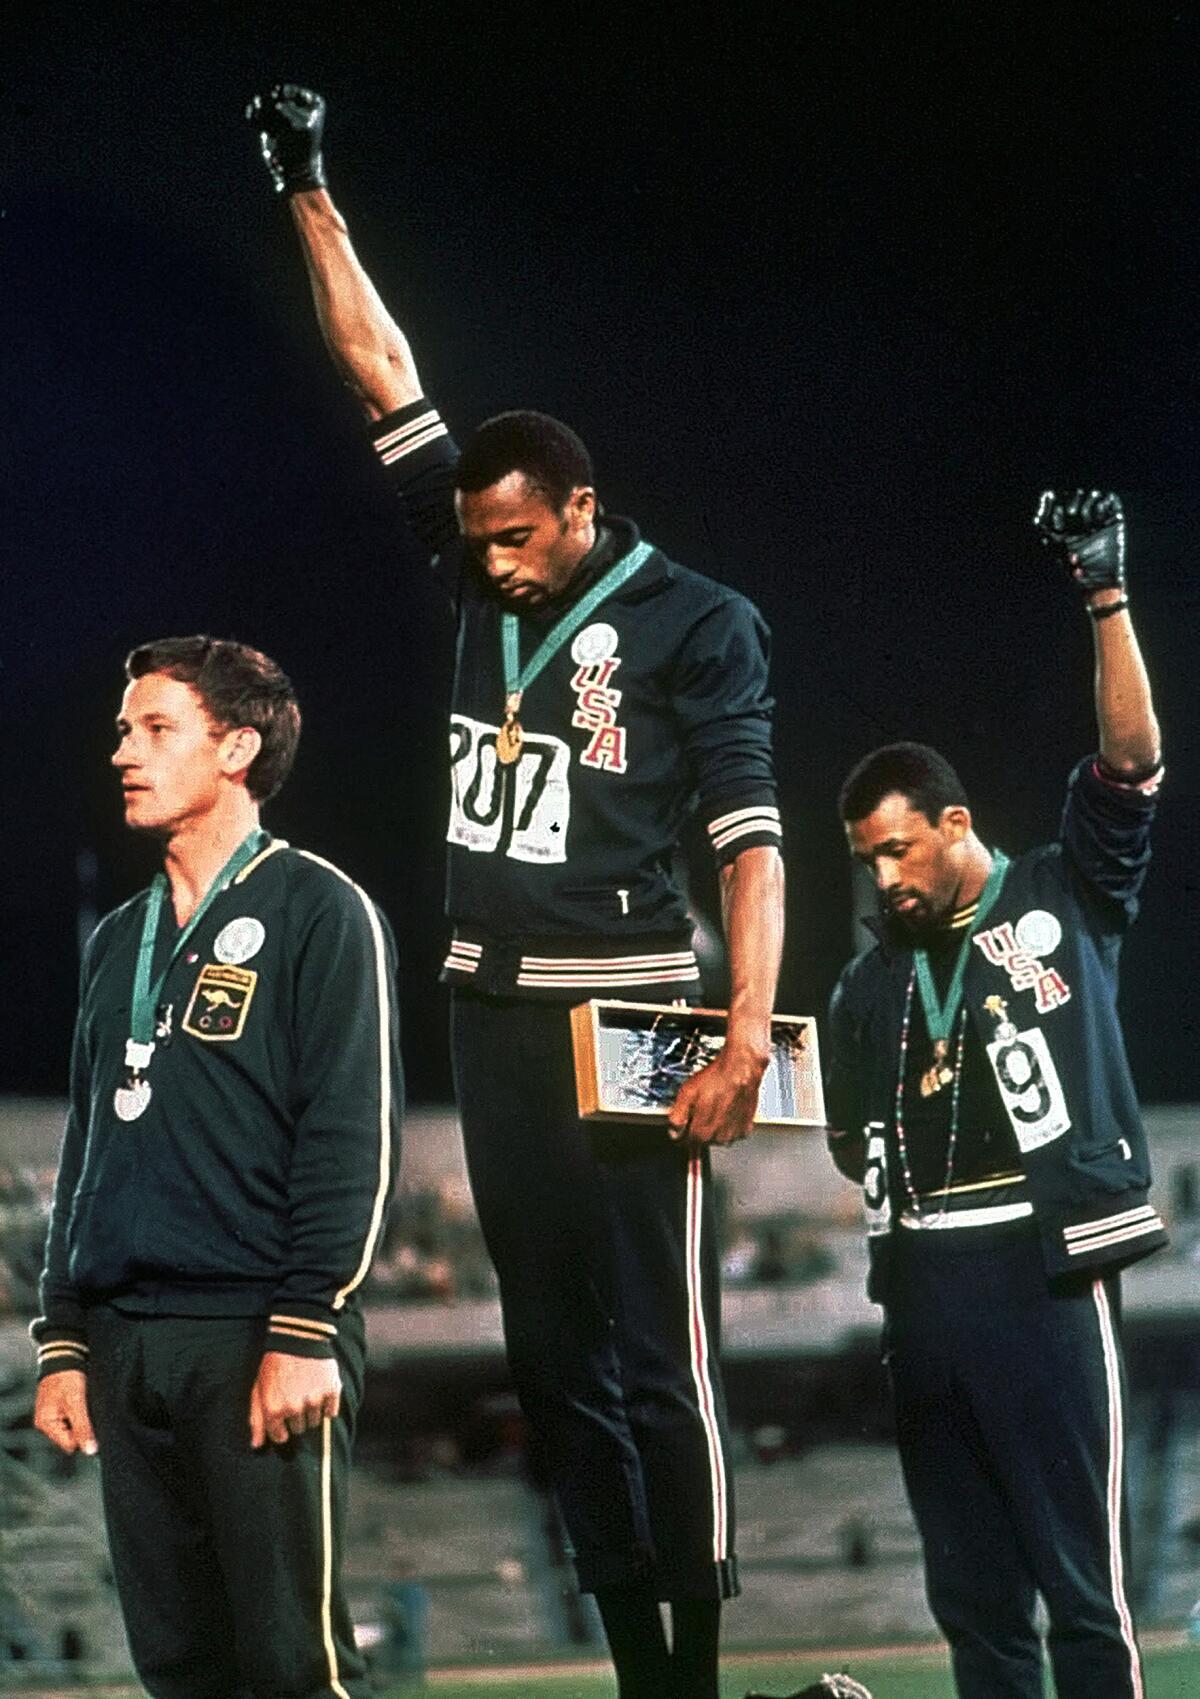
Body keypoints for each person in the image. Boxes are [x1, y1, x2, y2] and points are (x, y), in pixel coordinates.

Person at [246, 85, 785, 1699]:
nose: (490, 563)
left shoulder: (700, 622)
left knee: (663, 1356)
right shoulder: (478, 558)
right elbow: (384, 371)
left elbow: (753, 845)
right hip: (491, 1007)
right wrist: (307, 186)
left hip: (634, 1009)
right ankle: (639, 1672)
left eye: (519, 539)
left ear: (582, 510)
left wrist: (742, 1032)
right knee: (554, 1363)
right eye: (475, 541)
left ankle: (699, 1670)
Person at [825, 491, 1166, 1699]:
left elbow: (1130, 765)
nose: (883, 876)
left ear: (955, 824)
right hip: (918, 1288)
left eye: (898, 848)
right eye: (866, 858)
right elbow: (845, 1139)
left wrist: (1105, 594)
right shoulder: (866, 984)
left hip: (1040, 1270)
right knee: (973, 1605)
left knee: (1082, 1591)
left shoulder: (1061, 894)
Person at [32, 636, 403, 1699]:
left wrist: (306, 1325)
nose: (123, 753)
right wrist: (65, 1338)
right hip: (123, 1342)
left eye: (157, 729)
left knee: (294, 1666)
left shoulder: (321, 910)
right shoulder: (118, 939)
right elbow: (88, 1145)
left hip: (256, 1334)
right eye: (123, 730)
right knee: (180, 1669)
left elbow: (351, 1136)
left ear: (238, 748)